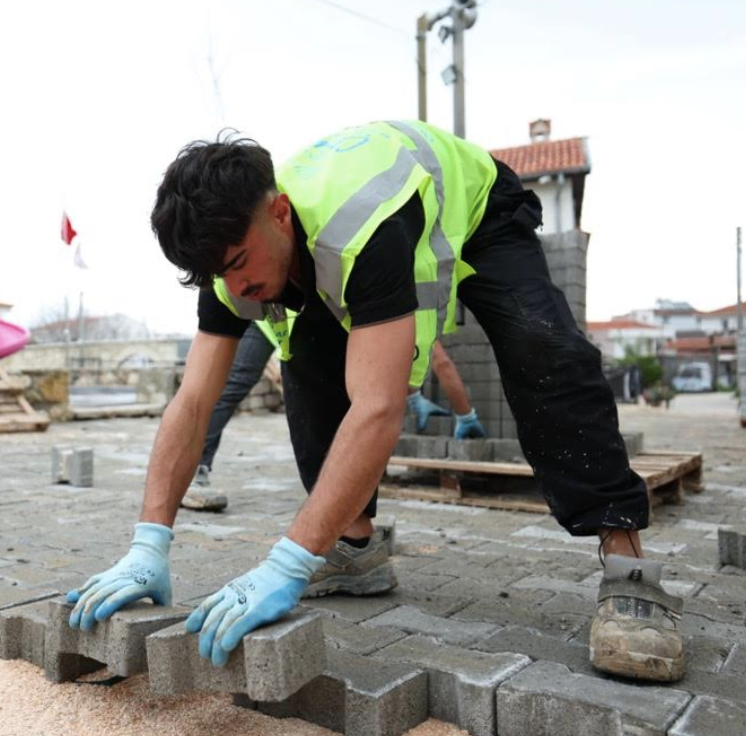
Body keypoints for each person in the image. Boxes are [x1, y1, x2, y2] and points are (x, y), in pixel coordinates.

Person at [67, 121, 684, 683]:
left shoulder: (363, 228)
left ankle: (627, 566)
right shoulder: (228, 259)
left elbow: (379, 407)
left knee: (541, 345)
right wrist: (148, 544)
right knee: (307, 359)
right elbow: (193, 401)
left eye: (236, 264)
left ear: (279, 213)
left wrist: (286, 564)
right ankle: (355, 550)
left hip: (477, 209)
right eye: (215, 276)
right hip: (341, 236)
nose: (235, 288)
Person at [183, 332, 485, 512]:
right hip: (271, 312)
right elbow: (434, 361)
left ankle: (340, 504)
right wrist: (465, 414)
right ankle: (195, 469)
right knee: (239, 381)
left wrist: (414, 396)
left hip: (296, 310)